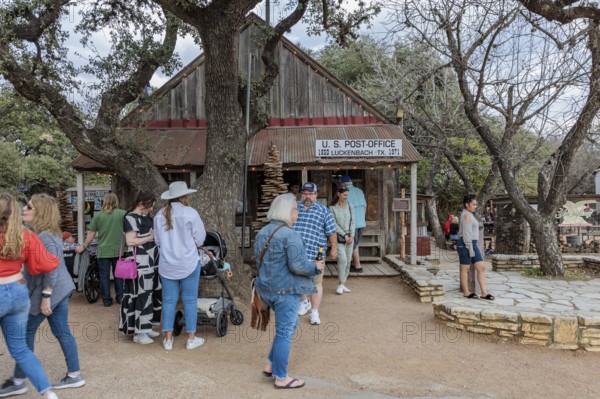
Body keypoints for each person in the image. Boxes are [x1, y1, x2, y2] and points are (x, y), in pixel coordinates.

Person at [255, 193, 325, 389]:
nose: (298, 212)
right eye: (296, 209)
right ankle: (281, 377)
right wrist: (315, 267)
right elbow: (298, 266)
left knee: (291, 324)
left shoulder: (262, 232)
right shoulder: (291, 235)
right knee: (285, 331)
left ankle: (271, 364)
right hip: (286, 290)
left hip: (266, 289)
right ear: (287, 211)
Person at [0, 192, 61, 399]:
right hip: (18, 292)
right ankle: (48, 393)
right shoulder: (25, 235)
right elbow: (48, 263)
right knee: (20, 348)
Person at [154, 181, 206, 351]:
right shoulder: (191, 213)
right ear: (185, 196)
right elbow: (200, 239)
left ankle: (168, 339)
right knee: (190, 300)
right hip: (188, 262)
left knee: (169, 301)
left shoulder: (159, 215)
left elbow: (157, 241)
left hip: (167, 264)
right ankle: (191, 338)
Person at [120, 191, 162, 345]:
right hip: (141, 262)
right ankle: (139, 331)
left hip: (150, 262)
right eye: (150, 205)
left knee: (149, 294)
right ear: (142, 203)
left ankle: (146, 325)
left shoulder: (144, 217)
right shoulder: (131, 217)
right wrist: (150, 237)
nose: (151, 209)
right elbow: (130, 241)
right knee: (142, 295)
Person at [294, 182, 337, 325]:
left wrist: (334, 248)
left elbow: (331, 231)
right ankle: (304, 302)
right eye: (305, 193)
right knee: (299, 280)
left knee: (316, 282)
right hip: (296, 253)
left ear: (316, 195)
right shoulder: (293, 208)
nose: (307, 196)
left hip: (316, 253)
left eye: (310, 193)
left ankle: (314, 313)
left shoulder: (323, 211)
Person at [75, 193, 126, 307]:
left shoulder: (98, 215)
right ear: (116, 201)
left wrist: (84, 245)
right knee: (119, 275)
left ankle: (107, 300)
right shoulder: (122, 214)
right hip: (119, 250)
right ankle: (120, 298)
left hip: (103, 250)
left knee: (104, 276)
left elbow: (91, 233)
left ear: (104, 201)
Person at [457, 195, 494, 300]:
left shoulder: (470, 214)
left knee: (481, 267)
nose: (475, 206)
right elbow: (466, 234)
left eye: (476, 204)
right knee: (465, 268)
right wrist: (470, 248)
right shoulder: (466, 215)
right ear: (466, 204)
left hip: (472, 244)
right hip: (465, 244)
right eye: (473, 204)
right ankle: (466, 292)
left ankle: (484, 292)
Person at [329, 186, 355, 295]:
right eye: (344, 195)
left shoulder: (350, 206)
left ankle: (342, 284)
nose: (346, 197)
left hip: (350, 237)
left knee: (348, 261)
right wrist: (344, 234)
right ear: (338, 194)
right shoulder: (332, 208)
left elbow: (353, 221)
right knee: (343, 260)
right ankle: (340, 284)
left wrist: (352, 235)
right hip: (339, 237)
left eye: (347, 195)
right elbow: (333, 223)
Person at [340, 176, 366, 273]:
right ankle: (354, 264)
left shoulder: (345, 193)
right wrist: (362, 219)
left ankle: (358, 266)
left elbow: (343, 209)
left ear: (343, 183)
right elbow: (364, 207)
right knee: (356, 244)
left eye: (340, 184)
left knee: (352, 245)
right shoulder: (359, 191)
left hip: (352, 224)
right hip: (361, 222)